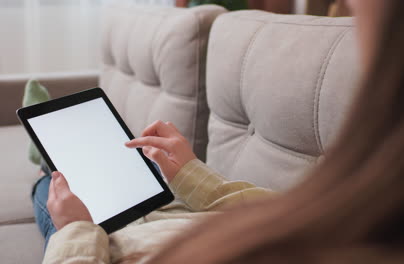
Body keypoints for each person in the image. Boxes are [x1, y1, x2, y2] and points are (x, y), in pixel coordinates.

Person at [33, 0, 404, 262]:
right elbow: (277, 210)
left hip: (102, 246)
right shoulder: (359, 207)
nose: (352, 4)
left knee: (49, 190)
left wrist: (75, 232)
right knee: (70, 184)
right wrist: (193, 174)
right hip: (164, 216)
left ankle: (43, 167)